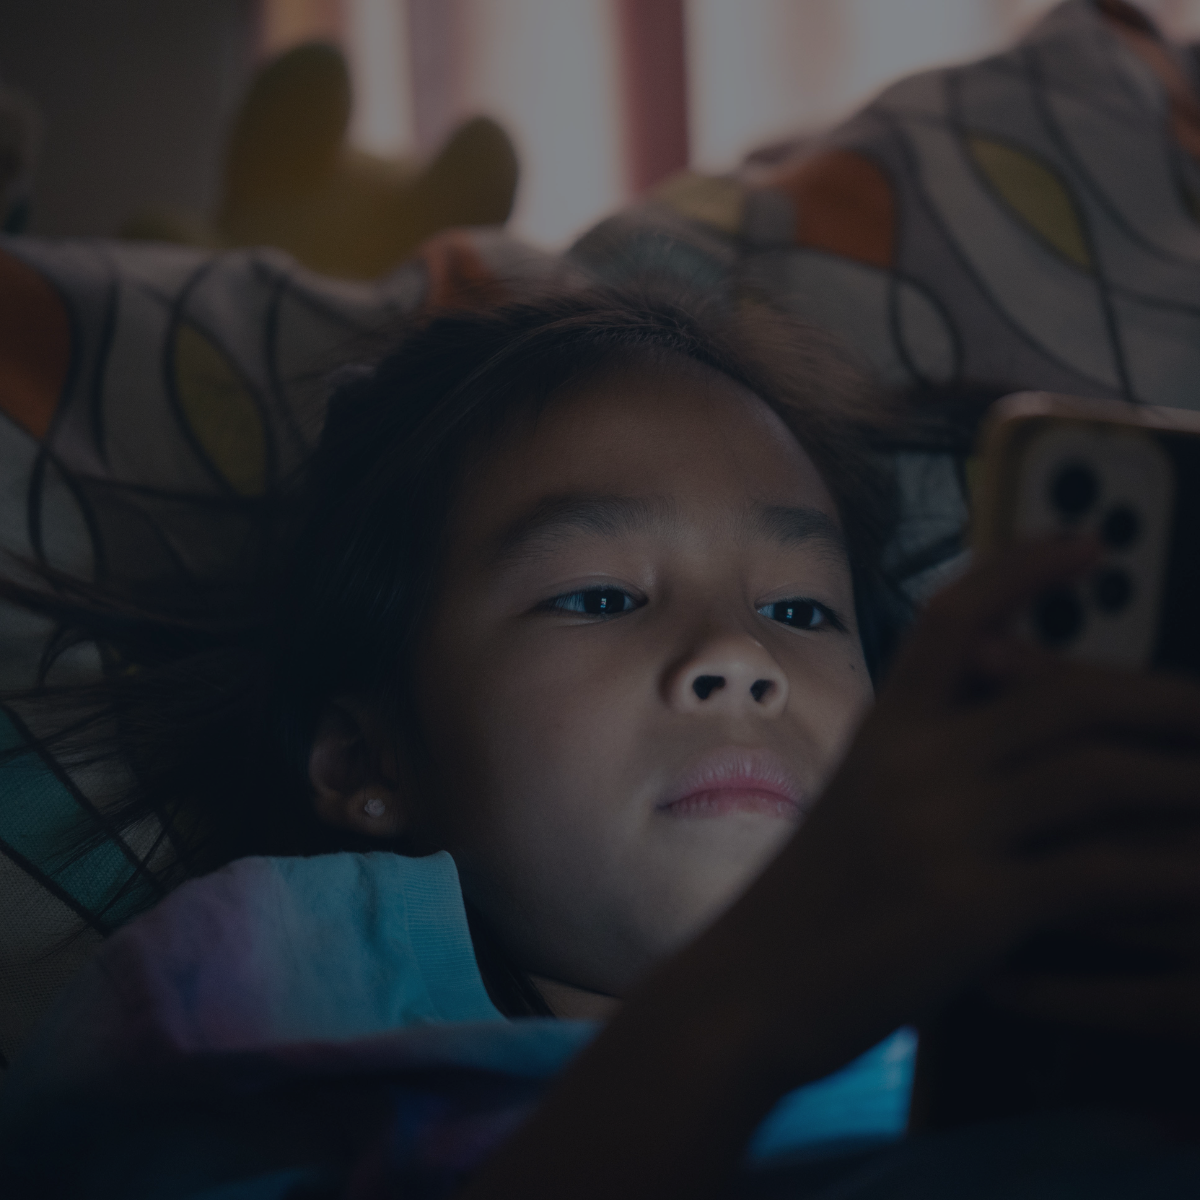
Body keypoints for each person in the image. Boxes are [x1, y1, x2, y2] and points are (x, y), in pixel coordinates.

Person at [3, 288, 1200, 1199]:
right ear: (370, 760)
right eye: (599, 596)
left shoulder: (1011, 993)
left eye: (799, 612)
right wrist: (738, 1017)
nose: (738, 655)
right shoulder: (285, 978)